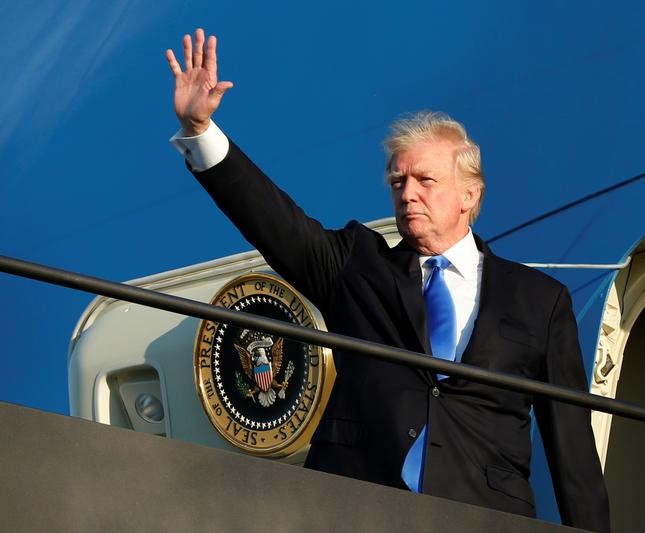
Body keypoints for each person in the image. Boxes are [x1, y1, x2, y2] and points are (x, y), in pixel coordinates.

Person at [166, 29, 610, 532]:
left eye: (425, 180)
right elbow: (274, 221)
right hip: (354, 508)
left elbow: (571, 445)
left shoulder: (538, 300)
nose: (407, 194)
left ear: (469, 195)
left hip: (481, 515)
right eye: (398, 181)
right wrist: (202, 131)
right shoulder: (359, 266)